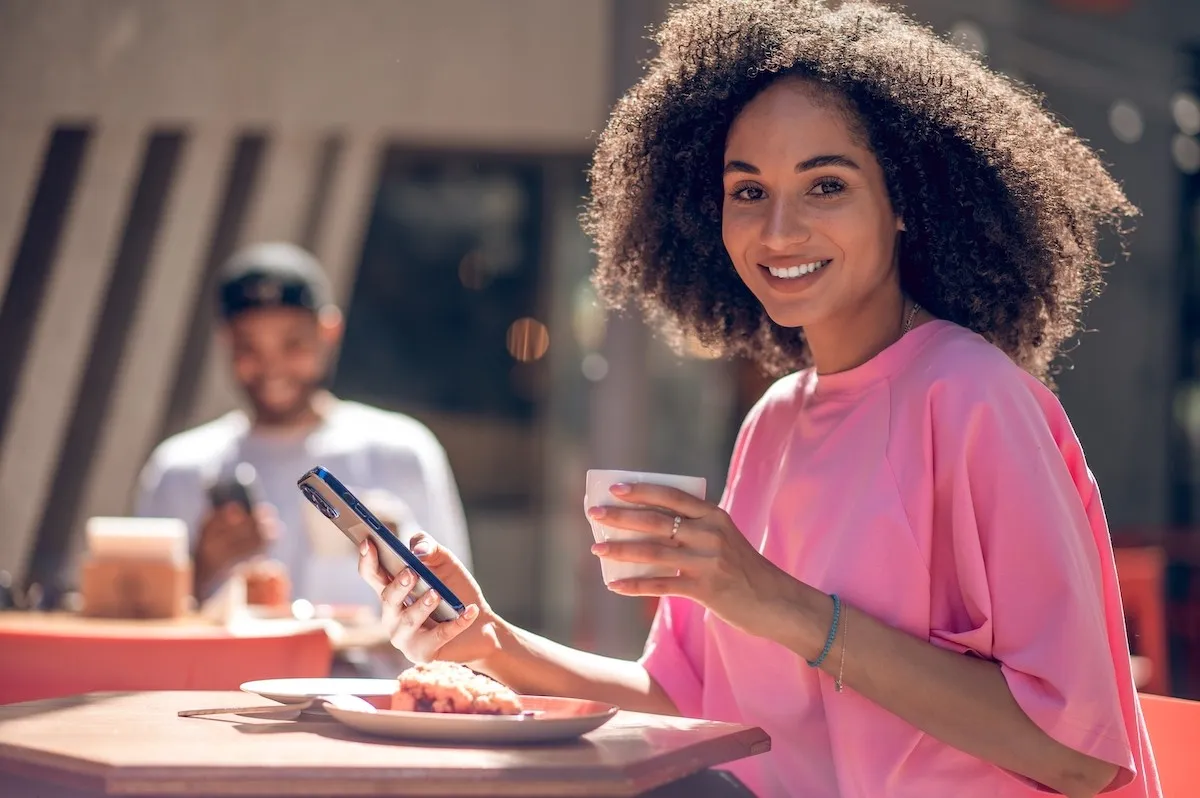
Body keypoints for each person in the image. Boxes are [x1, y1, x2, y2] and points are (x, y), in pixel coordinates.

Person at [356, 2, 1159, 796]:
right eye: (748, 192)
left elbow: (1078, 757)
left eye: (826, 186)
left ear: (906, 200)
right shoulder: (774, 421)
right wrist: (486, 638)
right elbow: (682, 702)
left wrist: (782, 606)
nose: (779, 231)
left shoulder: (974, 396)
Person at [136, 242, 472, 607]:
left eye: (292, 343)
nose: (272, 366)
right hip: (231, 666)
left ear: (328, 332)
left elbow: (458, 610)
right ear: (225, 342)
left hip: (372, 667)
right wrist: (201, 568)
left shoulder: (402, 451)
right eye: (249, 347)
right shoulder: (179, 468)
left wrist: (394, 555)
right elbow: (135, 627)